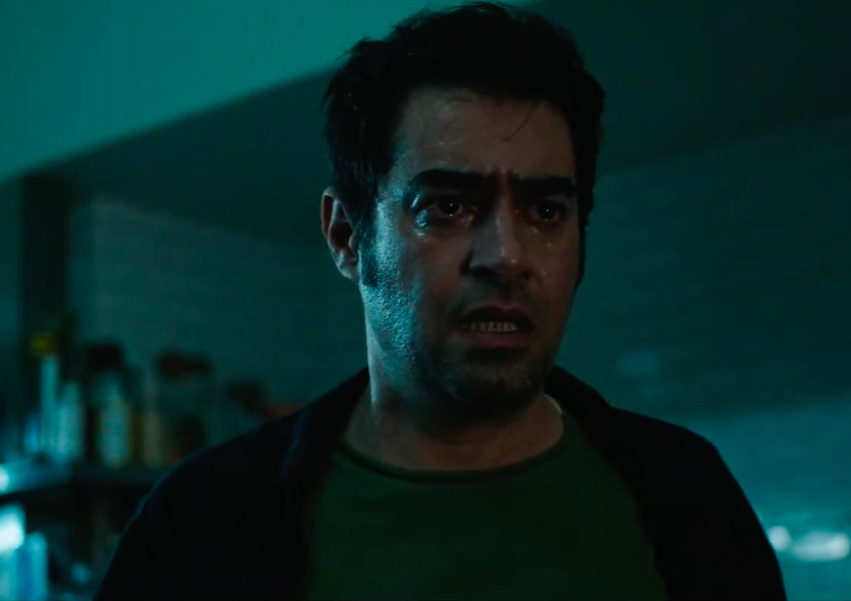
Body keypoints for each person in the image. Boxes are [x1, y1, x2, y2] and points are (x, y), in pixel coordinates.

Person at [95, 2, 786, 599]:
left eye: (546, 210)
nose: (506, 257)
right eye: (446, 207)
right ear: (346, 236)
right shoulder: (202, 521)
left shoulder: (686, 496)